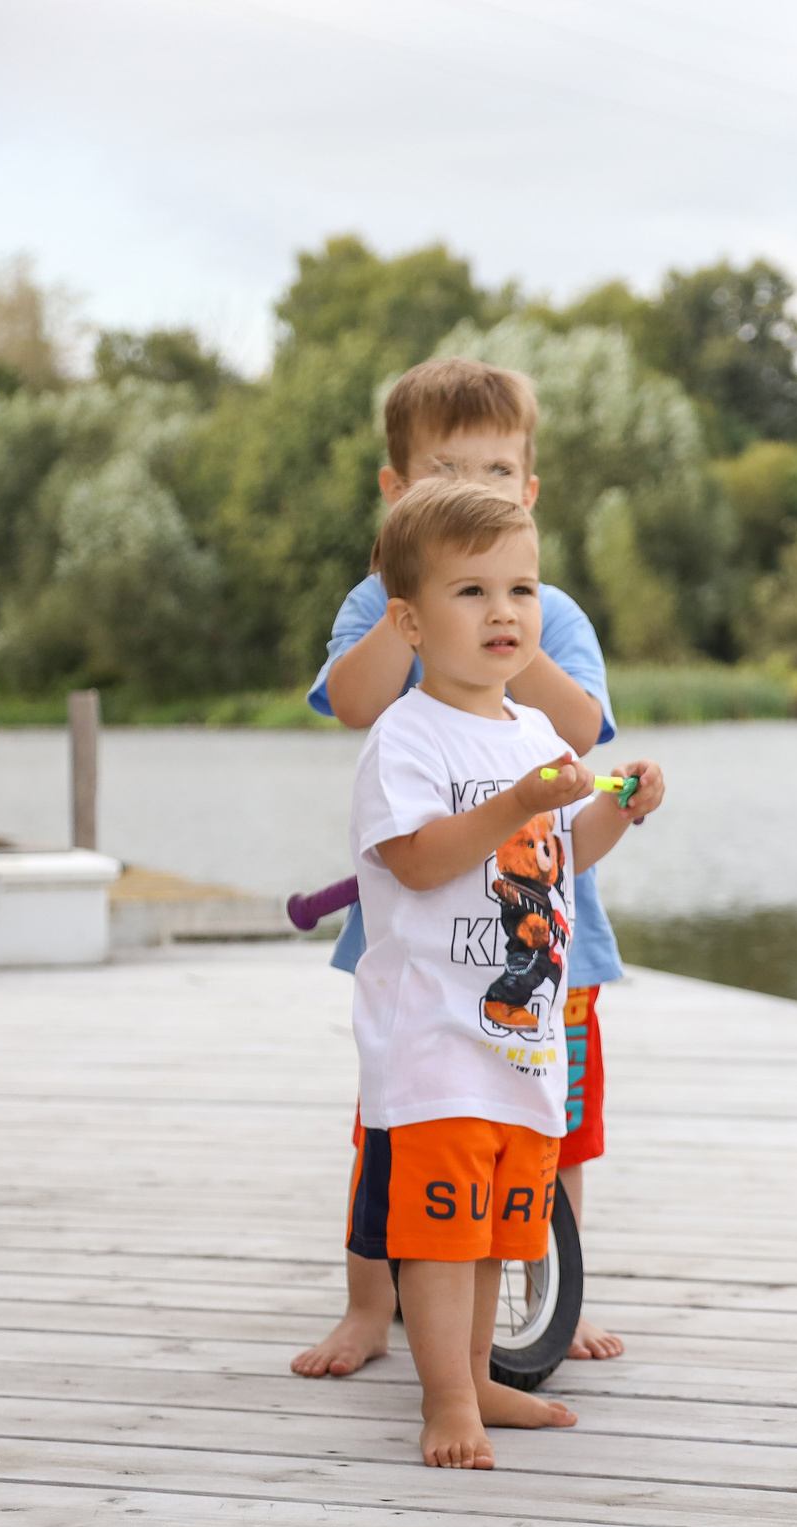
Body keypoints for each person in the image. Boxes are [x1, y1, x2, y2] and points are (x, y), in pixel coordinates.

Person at [292, 357, 631, 1378]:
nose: (478, 492)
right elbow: (355, 703)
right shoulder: (384, 603)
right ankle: (368, 1303)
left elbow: (579, 731)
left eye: (497, 475)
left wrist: (498, 614)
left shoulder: (547, 612)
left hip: (541, 936)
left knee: (554, 1125)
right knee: (393, 1124)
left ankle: (548, 1305)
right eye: (449, 473)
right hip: (420, 936)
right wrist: (423, 598)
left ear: (528, 491)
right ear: (397, 490)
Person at [345, 479, 664, 1468]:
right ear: (408, 620)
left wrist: (620, 808)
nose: (505, 613)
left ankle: (479, 1374)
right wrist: (516, 801)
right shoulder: (405, 738)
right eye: (472, 592)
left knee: (496, 1228)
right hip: (435, 1040)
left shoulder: (536, 734)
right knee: (440, 1233)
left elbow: (561, 853)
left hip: (522, 1038)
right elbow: (420, 861)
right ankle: (445, 1401)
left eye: (522, 590)